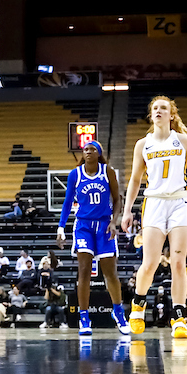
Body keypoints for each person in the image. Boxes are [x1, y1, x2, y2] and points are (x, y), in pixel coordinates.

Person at [121, 97, 187, 340]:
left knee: (178, 262)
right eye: (155, 108)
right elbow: (135, 179)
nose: (159, 111)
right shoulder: (143, 144)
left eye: (164, 108)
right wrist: (127, 210)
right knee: (150, 262)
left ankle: (178, 317)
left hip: (180, 201)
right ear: (151, 115)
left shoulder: (183, 140)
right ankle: (138, 306)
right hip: (154, 202)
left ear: (171, 115)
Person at [55, 140, 130, 336]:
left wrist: (114, 222)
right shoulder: (75, 174)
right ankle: (84, 317)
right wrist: (61, 227)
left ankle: (118, 312)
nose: (88, 151)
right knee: (84, 272)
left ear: (99, 153)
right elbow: (67, 201)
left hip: (105, 225)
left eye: (92, 149)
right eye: (86, 149)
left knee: (110, 272)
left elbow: (117, 199)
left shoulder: (108, 172)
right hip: (83, 226)